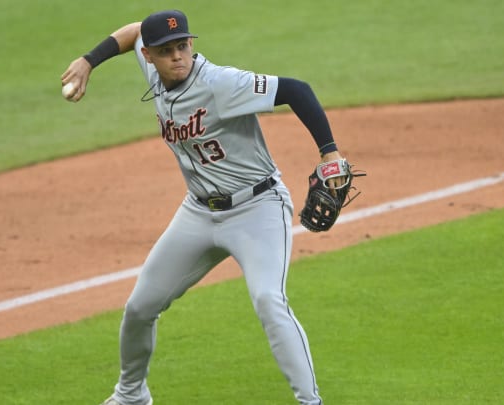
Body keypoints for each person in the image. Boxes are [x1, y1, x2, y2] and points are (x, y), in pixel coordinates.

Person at [61, 9, 350, 405]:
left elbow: (297, 90)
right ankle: (130, 395)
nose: (178, 56)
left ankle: (310, 402)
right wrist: (88, 60)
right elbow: (133, 32)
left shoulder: (220, 83)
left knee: (269, 299)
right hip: (198, 213)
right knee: (140, 307)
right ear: (150, 57)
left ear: (192, 44)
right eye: (166, 51)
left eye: (183, 46)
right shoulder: (154, 70)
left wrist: (329, 152)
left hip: (257, 207)